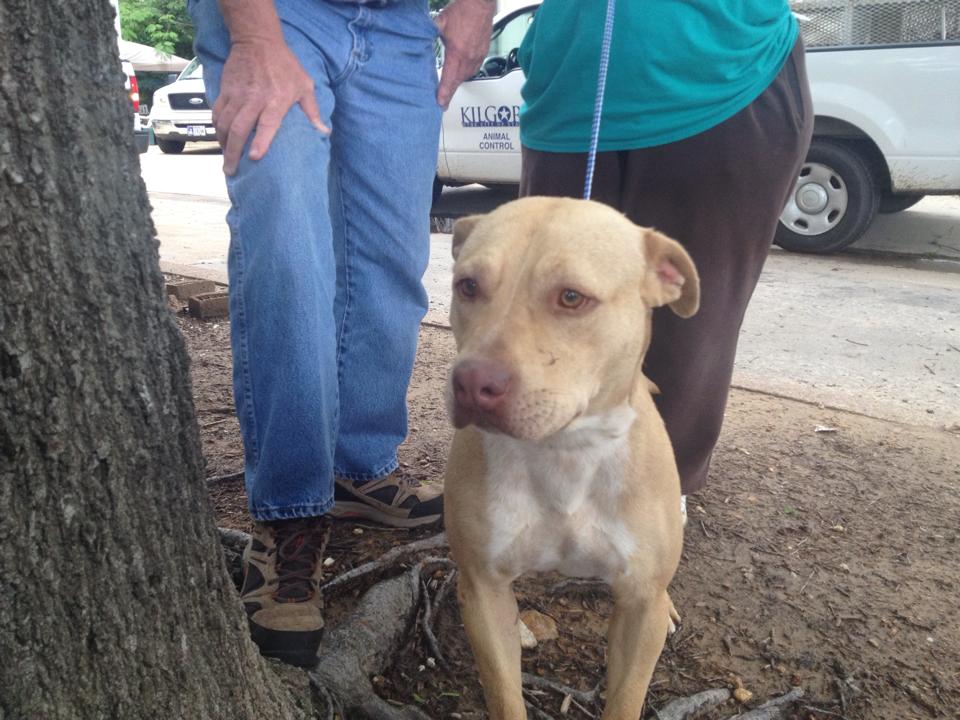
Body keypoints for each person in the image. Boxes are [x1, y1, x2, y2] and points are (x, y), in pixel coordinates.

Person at [187, 0, 494, 666]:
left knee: (391, 260)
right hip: (277, 15)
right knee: (289, 255)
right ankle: (291, 514)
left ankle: (358, 468)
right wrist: (254, 35)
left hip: (402, 24)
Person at [517, 1, 814, 519]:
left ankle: (650, 499)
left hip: (723, 80)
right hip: (571, 89)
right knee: (549, 314)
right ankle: (553, 482)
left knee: (689, 323)